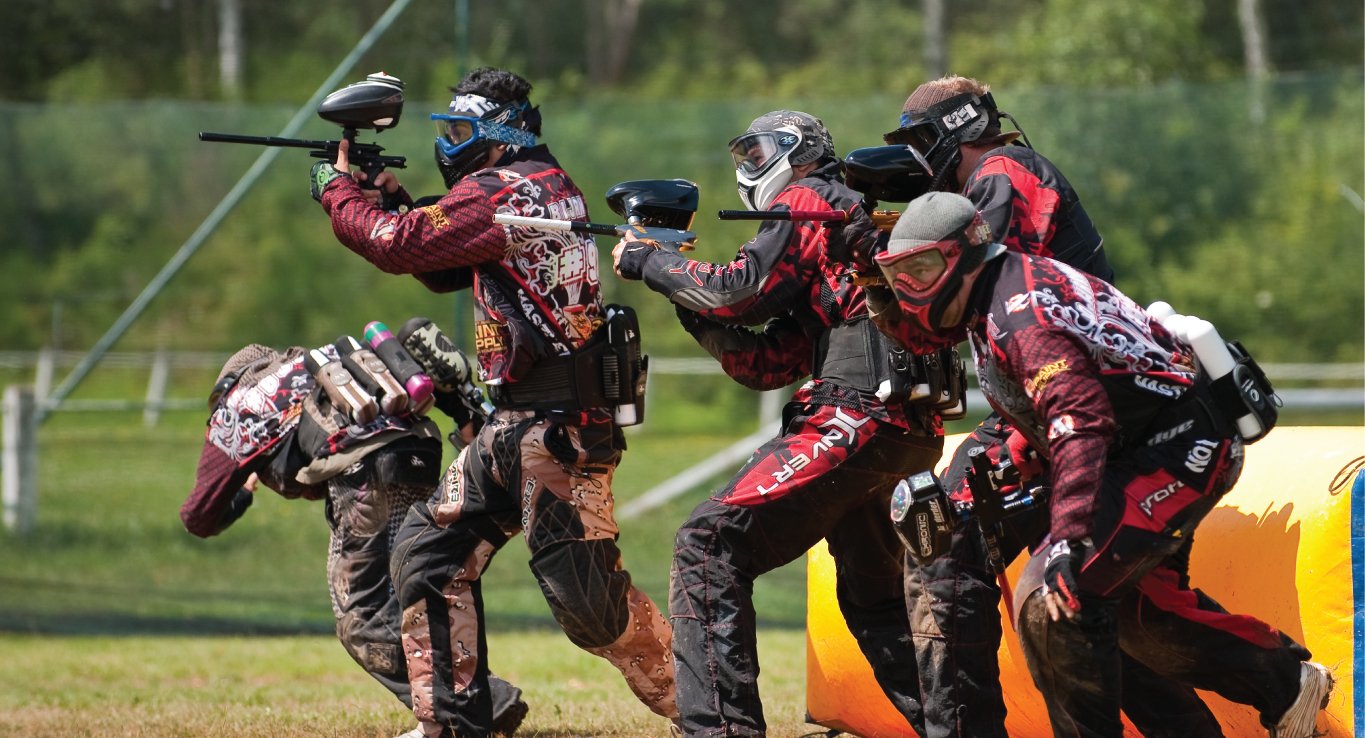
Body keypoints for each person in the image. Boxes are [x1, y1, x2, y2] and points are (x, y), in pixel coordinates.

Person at [874, 191, 1333, 738]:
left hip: (1178, 447)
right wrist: (1025, 447)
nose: (910, 292)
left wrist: (1069, 538)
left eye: (922, 271)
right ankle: (1285, 684)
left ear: (965, 254)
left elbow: (1081, 419)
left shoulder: (1020, 314)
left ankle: (1277, 682)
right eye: (899, 277)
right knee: (1142, 618)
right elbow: (1086, 386)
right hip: (1143, 446)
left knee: (1054, 600)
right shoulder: (999, 290)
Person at [311, 66, 677, 738]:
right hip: (512, 427)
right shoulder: (530, 185)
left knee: (588, 604)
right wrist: (395, 198)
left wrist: (338, 192)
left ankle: (709, 709)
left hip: (560, 432)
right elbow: (442, 262)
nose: (448, 145)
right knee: (426, 553)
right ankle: (455, 725)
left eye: (460, 132)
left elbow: (396, 244)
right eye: (446, 131)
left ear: (501, 136)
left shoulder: (508, 188)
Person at [872, 75, 1239, 738]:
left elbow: (974, 296)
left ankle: (1277, 684)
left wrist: (895, 253)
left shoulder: (1005, 173)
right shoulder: (990, 189)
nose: (913, 158)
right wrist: (877, 266)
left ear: (955, 130)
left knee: (966, 557)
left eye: (920, 140)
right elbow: (940, 318)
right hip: (1059, 410)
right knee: (1094, 604)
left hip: (1077, 409)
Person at [612, 110, 947, 737]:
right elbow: (764, 361)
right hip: (901, 430)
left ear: (803, 153)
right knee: (875, 599)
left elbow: (738, 291)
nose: (749, 167)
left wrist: (653, 261)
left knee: (708, 545)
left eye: (760, 152)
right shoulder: (839, 228)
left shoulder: (810, 198)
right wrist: (676, 289)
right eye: (743, 155)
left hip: (857, 414)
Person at [181, 339, 528, 738]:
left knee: (362, 618)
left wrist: (243, 493)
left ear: (226, 386)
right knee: (406, 594)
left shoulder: (235, 407)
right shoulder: (314, 363)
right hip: (419, 452)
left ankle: (474, 706)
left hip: (363, 473)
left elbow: (198, 516)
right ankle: (471, 701)